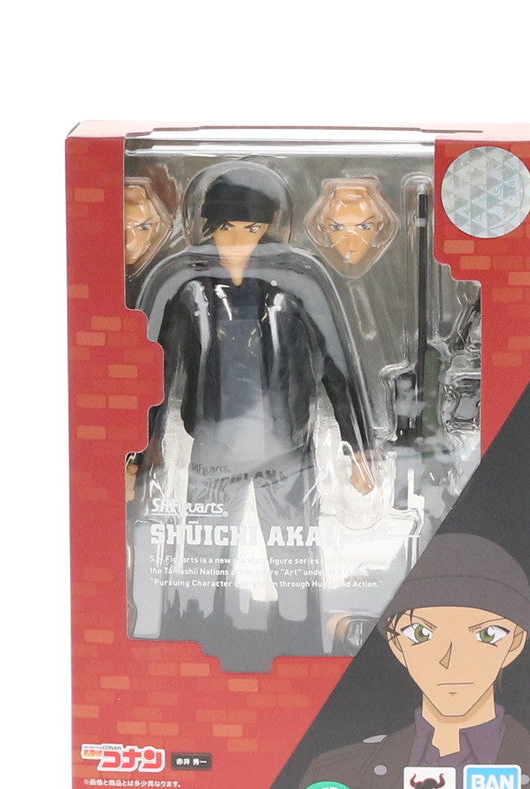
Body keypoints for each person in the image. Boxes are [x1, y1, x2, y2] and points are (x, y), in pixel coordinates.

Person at [127, 163, 375, 667]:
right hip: (213, 450)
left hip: (287, 451)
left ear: (269, 228)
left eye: (252, 227)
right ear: (208, 227)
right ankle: (193, 645)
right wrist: (139, 449)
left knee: (295, 559)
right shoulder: (187, 287)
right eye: (227, 227)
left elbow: (338, 366)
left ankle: (304, 649)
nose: (239, 238)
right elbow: (153, 369)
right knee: (200, 561)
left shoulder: (299, 283)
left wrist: (359, 447)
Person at [284, 532, 530, 789]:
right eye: (421, 634)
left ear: (515, 642)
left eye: (486, 634)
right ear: (396, 643)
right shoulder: (334, 776)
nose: (451, 661)